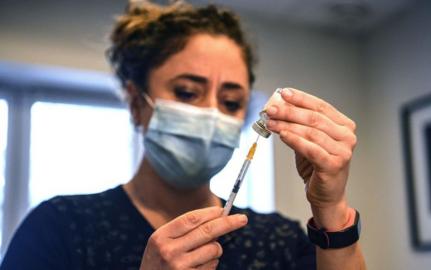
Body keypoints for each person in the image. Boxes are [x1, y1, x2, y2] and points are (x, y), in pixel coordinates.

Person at [0, 1, 366, 269]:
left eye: (231, 100)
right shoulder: (62, 228)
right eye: (187, 92)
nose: (211, 113)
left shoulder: (278, 241)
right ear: (135, 103)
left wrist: (331, 208)